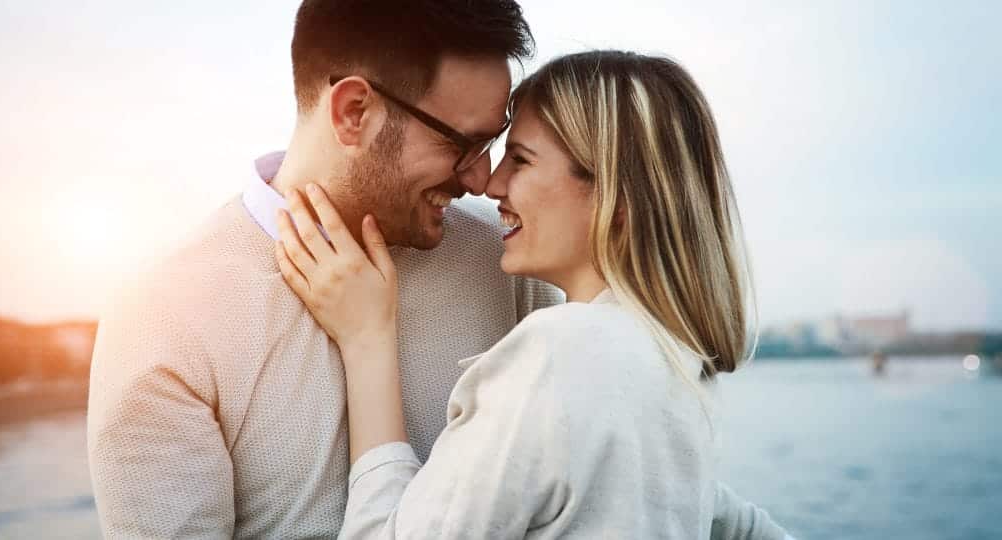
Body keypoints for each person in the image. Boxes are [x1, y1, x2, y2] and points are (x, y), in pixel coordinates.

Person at [88, 1, 785, 538]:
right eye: (465, 143)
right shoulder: (164, 321)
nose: (484, 180)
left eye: (502, 147)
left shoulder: (513, 265)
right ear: (354, 111)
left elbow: (629, 468)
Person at [276, 50, 794, 539]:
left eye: (520, 161)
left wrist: (368, 342)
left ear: (616, 197)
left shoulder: (559, 353)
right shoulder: (671, 364)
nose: (491, 184)